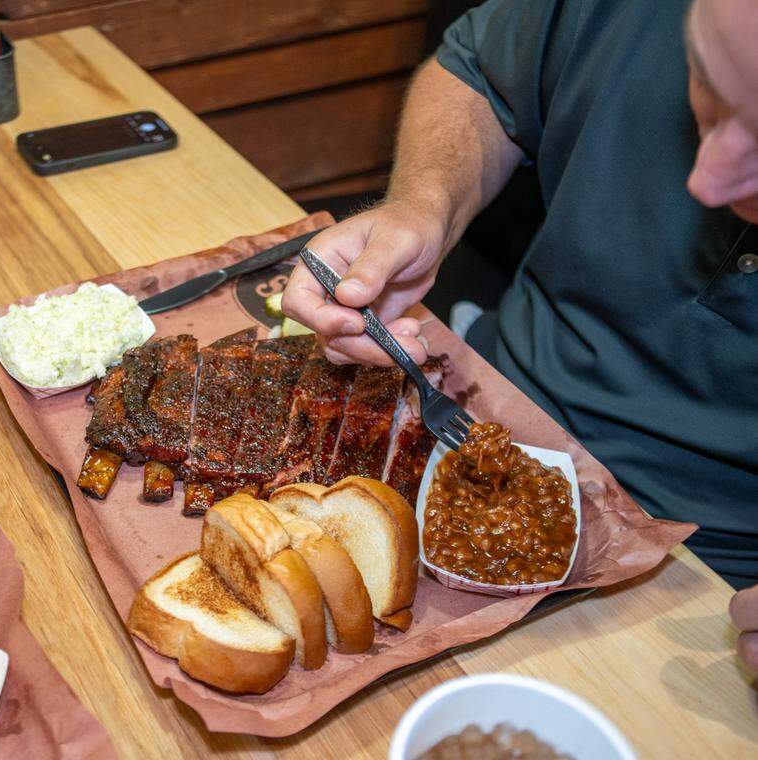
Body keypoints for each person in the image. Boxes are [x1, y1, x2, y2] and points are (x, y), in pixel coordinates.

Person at [282, 0, 757, 669]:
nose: (707, 180)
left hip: (712, 579)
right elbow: (479, 72)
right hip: (495, 388)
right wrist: (425, 206)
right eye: (704, 79)